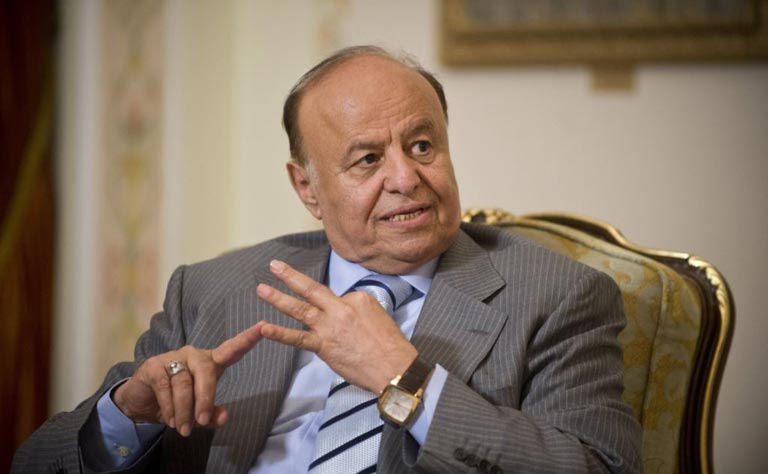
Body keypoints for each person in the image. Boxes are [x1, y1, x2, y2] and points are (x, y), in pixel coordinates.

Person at [13, 45, 642, 473]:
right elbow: (37, 462)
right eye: (368, 159)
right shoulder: (214, 290)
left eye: (423, 146)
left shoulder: (556, 295)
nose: (406, 178)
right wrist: (128, 416)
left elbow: (598, 466)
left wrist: (406, 380)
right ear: (307, 188)